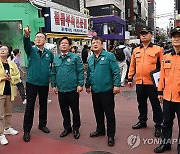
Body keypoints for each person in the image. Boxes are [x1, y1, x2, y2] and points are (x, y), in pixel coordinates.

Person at [128, 27, 163, 138]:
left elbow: (163, 67)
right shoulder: (135, 50)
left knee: (156, 105)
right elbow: (132, 65)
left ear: (151, 35)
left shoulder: (158, 49)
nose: (143, 35)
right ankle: (142, 121)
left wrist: (162, 82)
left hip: (153, 83)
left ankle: (158, 125)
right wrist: (130, 78)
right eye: (141, 34)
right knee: (141, 104)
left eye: (145, 33)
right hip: (140, 82)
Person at [85, 36, 121, 146]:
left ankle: (111, 135)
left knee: (109, 113)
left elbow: (116, 71)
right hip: (95, 90)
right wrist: (87, 85)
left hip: (107, 90)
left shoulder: (109, 56)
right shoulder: (90, 59)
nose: (95, 44)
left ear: (102, 45)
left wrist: (116, 85)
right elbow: (90, 73)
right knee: (98, 112)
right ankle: (100, 130)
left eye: (97, 42)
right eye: (93, 42)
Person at [23, 26, 54, 142]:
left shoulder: (49, 54)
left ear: (45, 40)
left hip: (44, 83)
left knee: (43, 105)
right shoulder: (30, 50)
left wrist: (49, 74)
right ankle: (26, 130)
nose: (39, 39)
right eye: (37, 37)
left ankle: (42, 124)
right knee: (30, 107)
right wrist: (26, 36)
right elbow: (26, 44)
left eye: (41, 37)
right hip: (31, 83)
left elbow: (53, 65)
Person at [51, 37, 84, 139]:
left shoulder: (75, 57)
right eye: (62, 43)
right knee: (64, 110)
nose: (63, 45)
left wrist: (80, 84)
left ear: (69, 46)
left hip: (73, 89)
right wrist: (53, 85)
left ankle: (76, 128)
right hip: (61, 89)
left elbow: (80, 71)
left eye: (66, 43)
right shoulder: (56, 58)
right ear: (59, 46)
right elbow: (53, 73)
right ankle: (67, 128)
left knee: (75, 110)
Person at [154, 27, 180, 153]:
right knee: (166, 122)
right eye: (174, 36)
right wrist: (160, 92)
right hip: (168, 97)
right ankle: (166, 144)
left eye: (179, 36)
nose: (177, 39)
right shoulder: (166, 55)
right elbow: (162, 76)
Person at [0, 45, 20, 145]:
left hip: (10, 91)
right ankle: (1, 134)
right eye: (1, 49)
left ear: (9, 52)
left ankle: (7, 128)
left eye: (4, 49)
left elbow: (17, 76)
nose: (2, 50)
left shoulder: (12, 64)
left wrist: (11, 78)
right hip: (0, 92)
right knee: (0, 115)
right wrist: (2, 78)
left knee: (8, 112)